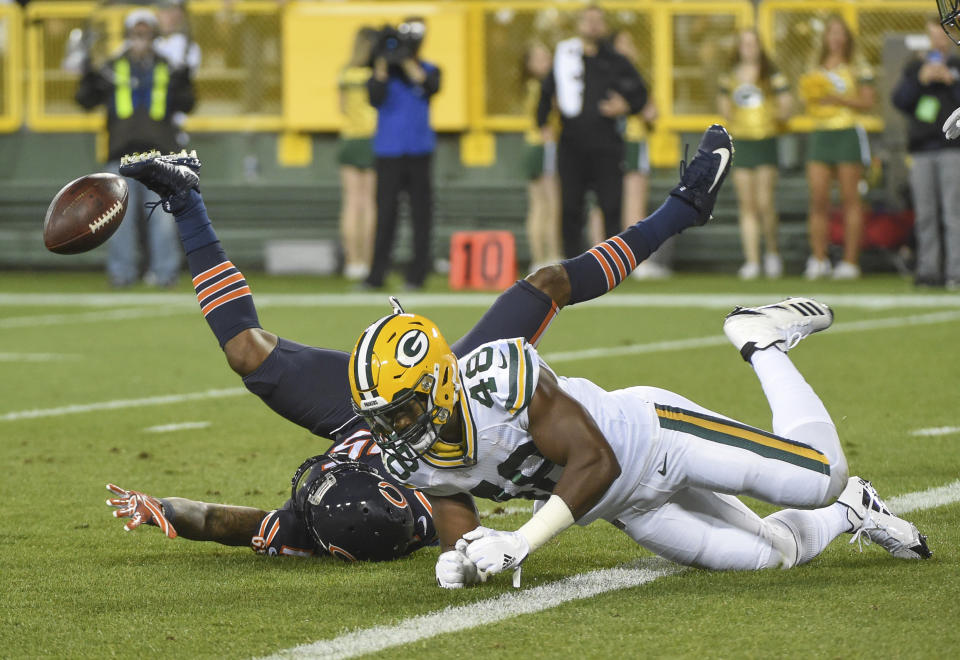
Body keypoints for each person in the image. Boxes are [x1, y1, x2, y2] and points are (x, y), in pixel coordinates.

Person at [104, 122, 732, 560]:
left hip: (377, 402)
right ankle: (683, 208)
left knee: (246, 350)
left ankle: (185, 197)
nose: (323, 470)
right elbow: (458, 522)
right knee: (547, 284)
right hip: (436, 399)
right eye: (328, 474)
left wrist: (165, 509)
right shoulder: (408, 503)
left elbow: (227, 524)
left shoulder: (332, 518)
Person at [347, 299, 931, 590]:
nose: (396, 427)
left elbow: (595, 460)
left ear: (442, 380)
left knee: (817, 474)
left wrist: (521, 540)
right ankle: (854, 507)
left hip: (654, 437)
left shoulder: (499, 376)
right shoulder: (408, 456)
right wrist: (468, 554)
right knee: (772, 555)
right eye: (385, 416)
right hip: (629, 509)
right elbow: (452, 494)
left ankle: (759, 338)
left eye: (403, 408)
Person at [75, 8, 195, 289]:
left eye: (145, 33)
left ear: (154, 36)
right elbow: (86, 100)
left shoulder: (169, 68)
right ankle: (121, 273)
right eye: (136, 34)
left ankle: (165, 275)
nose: (140, 39)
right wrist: (86, 73)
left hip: (161, 156)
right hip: (121, 154)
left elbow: (187, 103)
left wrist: (187, 80)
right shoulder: (112, 68)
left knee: (164, 221)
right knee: (117, 220)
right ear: (128, 36)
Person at [537, 5, 649, 258]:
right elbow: (545, 94)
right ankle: (571, 263)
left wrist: (626, 106)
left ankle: (613, 264)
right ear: (578, 24)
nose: (593, 25)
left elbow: (641, 94)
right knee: (570, 206)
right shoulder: (564, 57)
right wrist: (543, 122)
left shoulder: (616, 60)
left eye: (598, 20)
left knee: (610, 204)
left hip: (607, 143)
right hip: (571, 143)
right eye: (588, 20)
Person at [363, 17, 440, 291]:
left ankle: (417, 276)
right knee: (385, 216)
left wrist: (406, 59)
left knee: (422, 216)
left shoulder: (428, 69)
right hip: (389, 153)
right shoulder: (381, 73)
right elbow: (374, 96)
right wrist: (383, 60)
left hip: (419, 152)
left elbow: (431, 86)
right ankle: (376, 276)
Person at [798, 16, 876, 281]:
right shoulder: (813, 65)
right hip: (820, 133)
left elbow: (868, 101)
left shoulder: (858, 65)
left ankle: (850, 262)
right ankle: (819, 259)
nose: (835, 38)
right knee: (818, 199)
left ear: (847, 38)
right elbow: (806, 99)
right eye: (831, 32)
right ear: (825, 37)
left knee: (850, 199)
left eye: (840, 33)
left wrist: (837, 98)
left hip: (846, 133)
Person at [718, 29, 792, 280]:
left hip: (765, 140)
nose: (749, 48)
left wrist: (774, 114)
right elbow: (724, 107)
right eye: (744, 44)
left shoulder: (772, 76)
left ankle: (772, 252)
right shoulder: (729, 77)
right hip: (742, 141)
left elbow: (786, 106)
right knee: (746, 204)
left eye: (753, 44)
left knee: (765, 202)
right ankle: (752, 260)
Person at [894, 15, 960, 289]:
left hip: (952, 148)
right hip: (921, 149)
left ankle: (956, 271)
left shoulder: (956, 65)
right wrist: (919, 80)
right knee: (926, 214)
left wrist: (950, 81)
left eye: (941, 35)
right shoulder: (915, 67)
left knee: (953, 212)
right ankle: (928, 270)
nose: (937, 40)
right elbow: (900, 100)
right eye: (933, 35)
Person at [610, 28, 671, 281]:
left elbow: (651, 112)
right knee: (603, 201)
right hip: (611, 140)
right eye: (622, 43)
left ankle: (632, 261)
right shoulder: (607, 72)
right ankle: (606, 259)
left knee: (635, 199)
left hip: (634, 138)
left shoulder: (639, 75)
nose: (628, 48)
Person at [338, 27, 379, 281]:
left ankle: (352, 262)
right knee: (370, 203)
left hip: (350, 139)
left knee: (352, 203)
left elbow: (341, 108)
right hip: (374, 140)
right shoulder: (376, 74)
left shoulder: (346, 74)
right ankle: (368, 260)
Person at [522, 41, 561, 273]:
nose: (547, 62)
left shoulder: (531, 86)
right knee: (550, 204)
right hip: (543, 145)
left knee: (539, 205)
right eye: (540, 58)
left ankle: (540, 258)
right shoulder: (541, 87)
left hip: (532, 145)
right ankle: (551, 255)